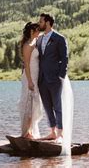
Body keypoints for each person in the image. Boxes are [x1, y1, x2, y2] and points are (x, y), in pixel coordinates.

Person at [37, 13, 73, 155]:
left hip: (55, 78)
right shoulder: (39, 39)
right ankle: (52, 131)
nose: (39, 23)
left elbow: (64, 58)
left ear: (48, 22)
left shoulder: (59, 38)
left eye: (41, 21)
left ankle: (60, 133)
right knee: (47, 105)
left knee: (58, 106)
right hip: (42, 79)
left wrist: (61, 76)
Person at [18, 22, 43, 139]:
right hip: (29, 76)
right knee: (28, 102)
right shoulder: (27, 45)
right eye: (38, 30)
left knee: (35, 103)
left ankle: (31, 130)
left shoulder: (35, 43)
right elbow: (26, 64)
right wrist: (30, 81)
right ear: (32, 32)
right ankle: (26, 132)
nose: (39, 32)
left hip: (36, 75)